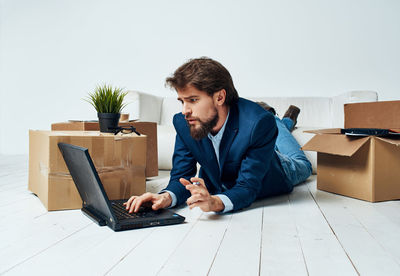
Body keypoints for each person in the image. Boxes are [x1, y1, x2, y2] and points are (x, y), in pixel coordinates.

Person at [124, 57, 312, 214]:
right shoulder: (183, 122)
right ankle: (280, 122)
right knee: (264, 126)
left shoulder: (259, 123)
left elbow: (247, 187)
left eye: (193, 100)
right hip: (247, 143)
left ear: (220, 97)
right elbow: (182, 177)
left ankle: (281, 121)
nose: (185, 111)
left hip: (277, 170)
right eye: (182, 101)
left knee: (303, 164)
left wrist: (215, 203)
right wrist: (164, 197)